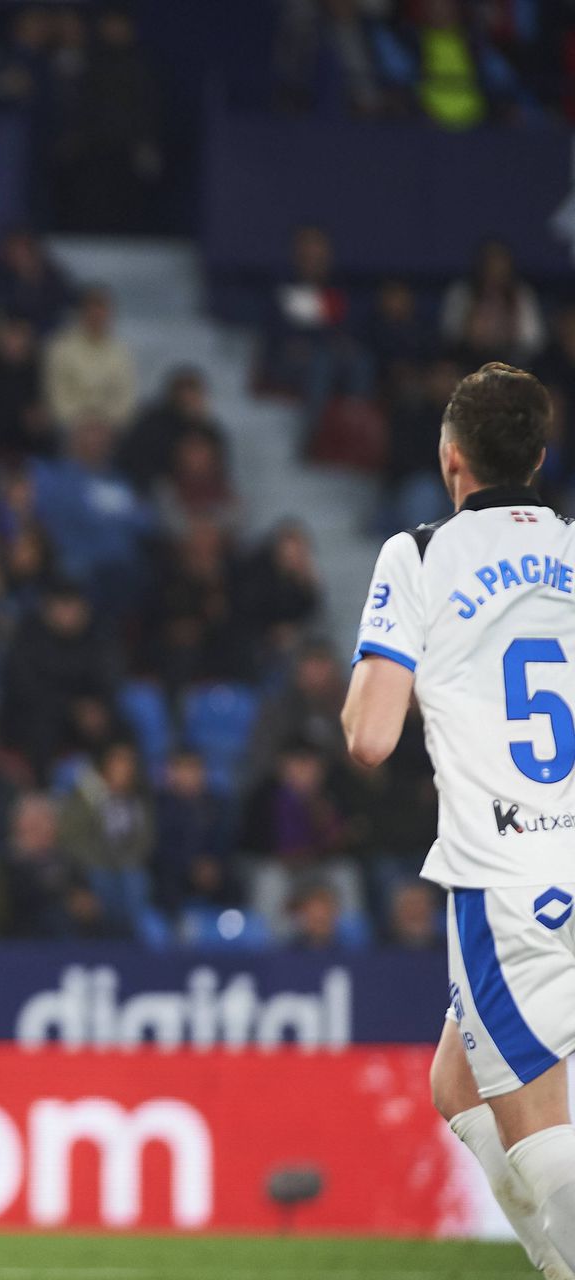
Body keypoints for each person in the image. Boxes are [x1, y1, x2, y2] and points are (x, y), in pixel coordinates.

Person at [341, 362, 575, 1280]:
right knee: (457, 1082)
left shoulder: (422, 553)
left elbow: (368, 735)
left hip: (507, 876)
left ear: (451, 461)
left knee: (537, 1127)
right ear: (542, 456)